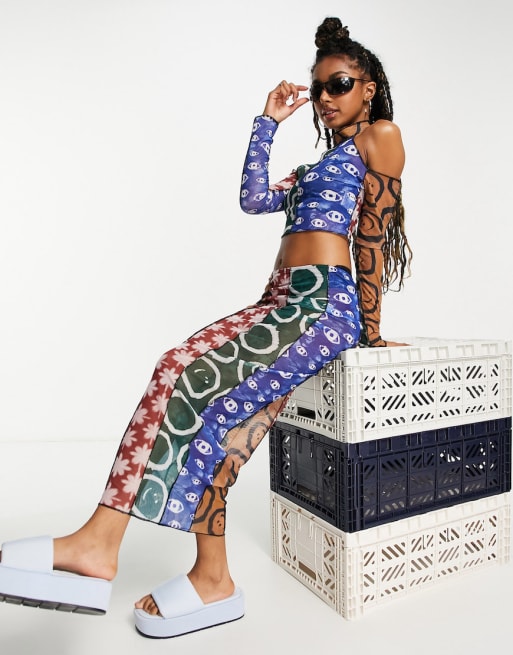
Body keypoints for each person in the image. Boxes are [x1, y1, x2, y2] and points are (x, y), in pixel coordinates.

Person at [0, 16, 411, 638]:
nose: (326, 98)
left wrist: (371, 331)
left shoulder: (381, 137)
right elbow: (253, 198)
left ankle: (96, 544)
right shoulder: (313, 170)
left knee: (180, 368)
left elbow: (373, 237)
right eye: (318, 88)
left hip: (323, 308)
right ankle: (212, 578)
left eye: (339, 84)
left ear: (369, 88)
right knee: (218, 430)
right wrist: (267, 122)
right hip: (282, 299)